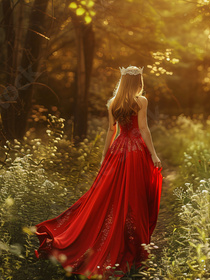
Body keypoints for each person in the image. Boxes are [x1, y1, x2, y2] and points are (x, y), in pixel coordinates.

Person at [34, 66, 163, 279]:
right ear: (138, 81)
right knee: (134, 196)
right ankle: (134, 243)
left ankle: (117, 237)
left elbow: (111, 131)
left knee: (109, 197)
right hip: (135, 152)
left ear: (122, 82)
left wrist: (105, 156)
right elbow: (143, 129)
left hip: (118, 150)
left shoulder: (113, 103)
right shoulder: (141, 101)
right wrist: (154, 155)